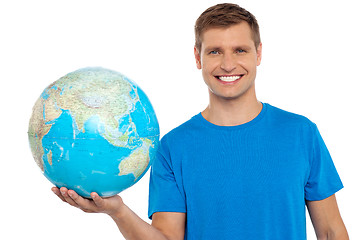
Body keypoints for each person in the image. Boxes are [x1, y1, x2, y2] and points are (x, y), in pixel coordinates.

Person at [52, 3, 349, 239]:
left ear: (258, 53)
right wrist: (117, 211)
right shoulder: (172, 147)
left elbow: (331, 232)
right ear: (198, 57)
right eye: (215, 51)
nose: (228, 64)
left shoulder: (300, 134)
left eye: (240, 50)